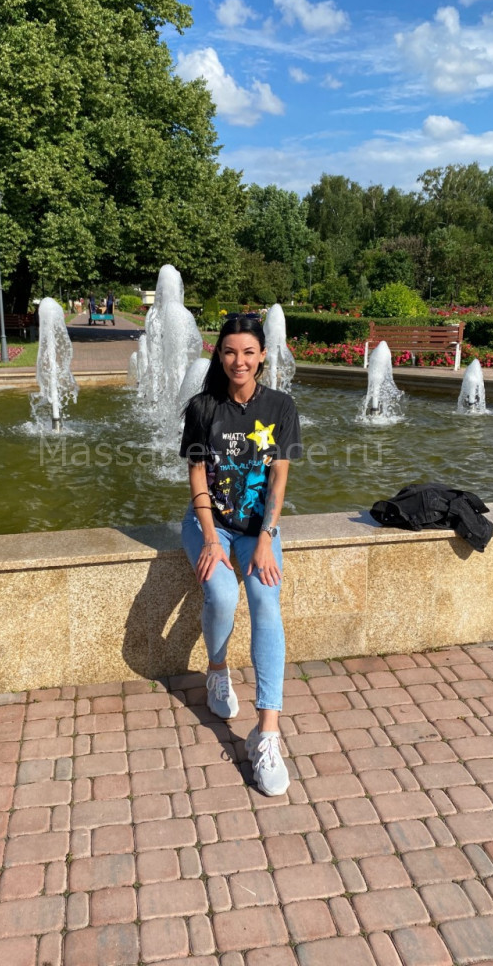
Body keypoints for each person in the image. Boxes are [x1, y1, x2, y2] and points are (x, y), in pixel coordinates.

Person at [179, 314, 302, 796]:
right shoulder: (203, 407)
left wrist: (267, 536)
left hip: (257, 530)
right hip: (209, 524)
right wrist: (211, 539)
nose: (239, 361)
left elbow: (279, 478)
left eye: (248, 352)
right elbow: (197, 475)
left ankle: (267, 733)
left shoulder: (280, 406)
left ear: (263, 355)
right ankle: (216, 671)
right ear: (219, 354)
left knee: (266, 601)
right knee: (223, 594)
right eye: (230, 351)